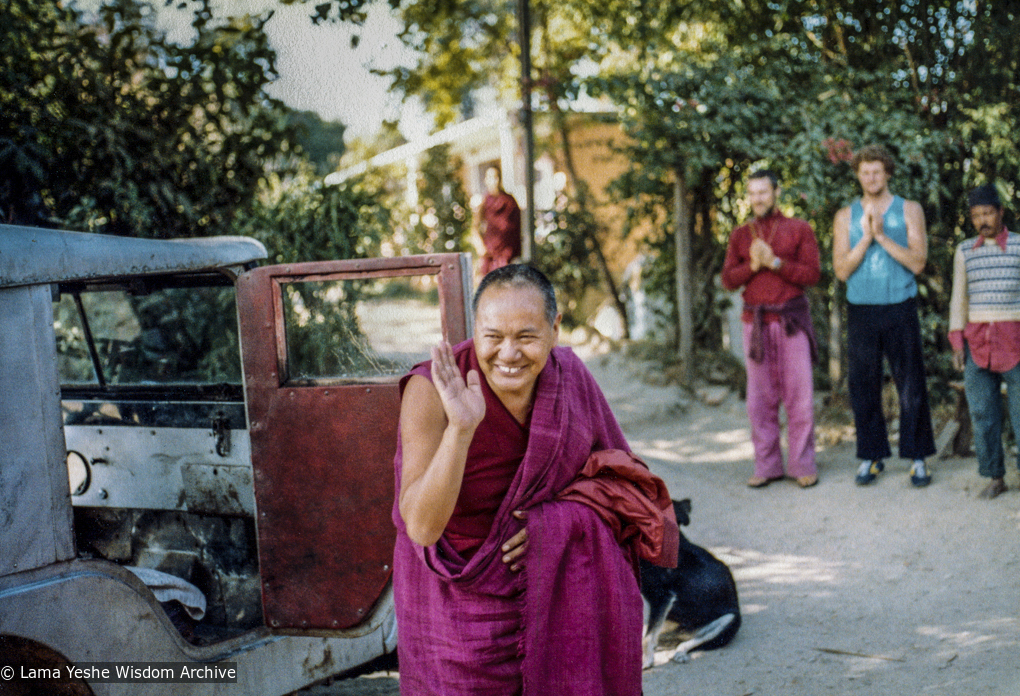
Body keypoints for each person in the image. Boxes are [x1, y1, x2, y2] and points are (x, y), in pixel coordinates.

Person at [392, 264, 678, 695]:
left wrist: (559, 521)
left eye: (526, 337)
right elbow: (422, 528)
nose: (508, 354)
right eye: (493, 337)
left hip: (555, 591)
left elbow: (623, 483)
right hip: (457, 615)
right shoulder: (431, 390)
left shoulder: (569, 378)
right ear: (475, 328)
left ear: (555, 329)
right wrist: (460, 431)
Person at [833, 144, 936, 487]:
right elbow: (842, 271)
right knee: (863, 385)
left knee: (910, 383)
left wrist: (881, 236)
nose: (871, 178)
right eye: (865, 172)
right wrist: (865, 239)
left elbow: (918, 262)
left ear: (888, 173)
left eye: (877, 171)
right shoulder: (845, 216)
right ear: (858, 176)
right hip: (861, 308)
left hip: (900, 305)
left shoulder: (908, 209)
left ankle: (918, 457)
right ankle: (871, 456)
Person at [721, 169, 821, 489]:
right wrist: (751, 266)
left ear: (776, 191)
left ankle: (802, 464)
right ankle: (767, 465)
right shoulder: (740, 234)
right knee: (759, 400)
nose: (758, 199)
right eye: (752, 193)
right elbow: (728, 280)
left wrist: (775, 263)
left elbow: (812, 274)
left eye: (763, 192)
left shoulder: (799, 229)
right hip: (756, 325)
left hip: (791, 322)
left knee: (799, 397)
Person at [949, 184, 1020, 499]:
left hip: (1015, 341)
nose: (983, 220)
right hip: (976, 343)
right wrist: (955, 340)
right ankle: (994, 476)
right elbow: (958, 300)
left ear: (1000, 212)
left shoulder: (1019, 246)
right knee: (982, 413)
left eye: (988, 213)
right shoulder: (965, 251)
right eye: (976, 215)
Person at [475, 166, 522, 275]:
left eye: (497, 177)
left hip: (507, 251)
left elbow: (518, 227)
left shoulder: (509, 200)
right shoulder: (484, 201)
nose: (494, 180)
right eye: (491, 177)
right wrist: (480, 246)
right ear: (485, 180)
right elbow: (475, 227)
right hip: (491, 251)